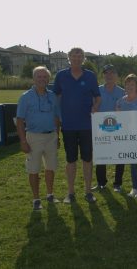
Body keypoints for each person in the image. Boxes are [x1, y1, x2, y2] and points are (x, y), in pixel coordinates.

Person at [53, 47, 101, 203]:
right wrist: (57, 118)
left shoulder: (90, 76)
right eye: (74, 56)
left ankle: (88, 191)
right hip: (68, 126)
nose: (77, 59)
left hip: (87, 125)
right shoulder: (61, 76)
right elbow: (55, 97)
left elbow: (97, 97)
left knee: (87, 159)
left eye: (80, 56)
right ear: (69, 58)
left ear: (83, 59)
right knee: (71, 160)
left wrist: (95, 107)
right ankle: (71, 192)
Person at [16, 66, 60, 210]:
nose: (42, 79)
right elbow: (20, 121)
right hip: (33, 137)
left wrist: (57, 136)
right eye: (39, 77)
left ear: (48, 79)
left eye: (44, 77)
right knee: (33, 169)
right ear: (34, 79)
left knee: (50, 167)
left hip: (51, 137)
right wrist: (23, 141)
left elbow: (56, 118)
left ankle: (50, 194)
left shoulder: (52, 96)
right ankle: (36, 199)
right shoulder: (25, 97)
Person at [92, 64, 125, 193]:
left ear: (116, 75)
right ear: (103, 75)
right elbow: (92, 107)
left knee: (119, 157)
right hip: (101, 129)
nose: (109, 75)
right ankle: (101, 182)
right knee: (101, 157)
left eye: (112, 73)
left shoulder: (122, 92)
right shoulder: (97, 90)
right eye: (107, 73)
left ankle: (117, 183)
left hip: (118, 128)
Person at [116, 74, 137, 199]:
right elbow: (118, 119)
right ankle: (135, 187)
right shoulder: (120, 101)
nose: (129, 87)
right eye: (127, 84)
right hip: (127, 137)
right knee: (132, 162)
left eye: (132, 84)